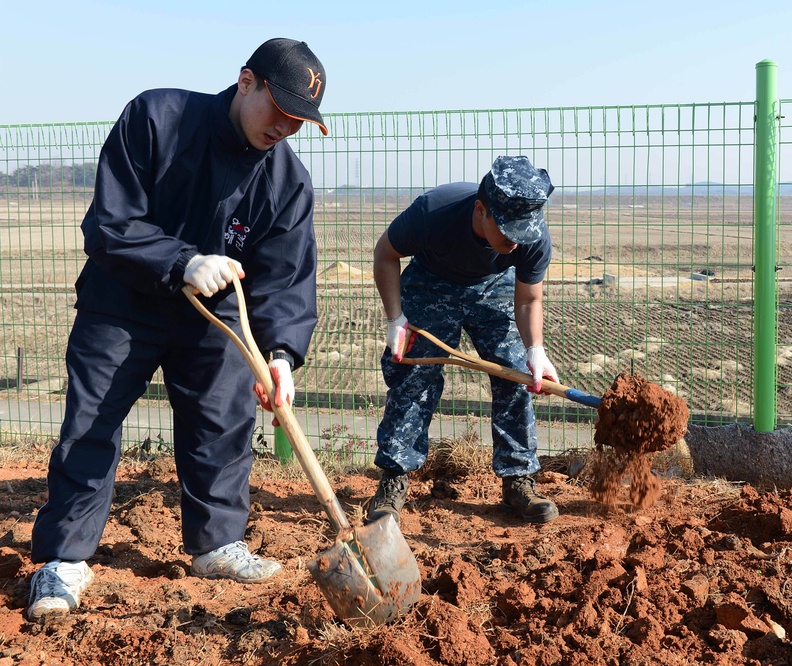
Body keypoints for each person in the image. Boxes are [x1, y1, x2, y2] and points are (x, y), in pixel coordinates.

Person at [25, 38, 327, 621]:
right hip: (123, 302)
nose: (285, 129)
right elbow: (110, 223)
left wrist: (282, 356)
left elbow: (286, 280)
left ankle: (216, 544)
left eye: (300, 122)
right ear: (246, 82)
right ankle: (63, 559)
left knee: (222, 425)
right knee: (90, 425)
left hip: (214, 320)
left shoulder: (287, 181)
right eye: (280, 111)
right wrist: (182, 260)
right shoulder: (157, 118)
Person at [367, 155, 561, 526]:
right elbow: (385, 254)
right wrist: (396, 319)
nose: (516, 243)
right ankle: (394, 478)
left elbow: (528, 298)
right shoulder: (433, 212)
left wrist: (536, 351)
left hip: (493, 287)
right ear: (480, 210)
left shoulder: (532, 236)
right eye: (507, 233)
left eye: (524, 235)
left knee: (516, 374)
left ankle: (517, 478)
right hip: (432, 281)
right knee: (414, 378)